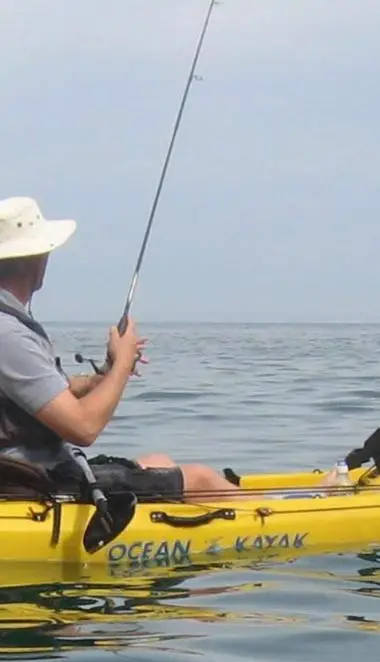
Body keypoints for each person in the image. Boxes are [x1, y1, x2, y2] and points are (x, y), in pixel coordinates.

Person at [0, 195, 260, 503]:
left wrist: (102, 379)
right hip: (33, 484)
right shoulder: (8, 333)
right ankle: (288, 520)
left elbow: (39, 394)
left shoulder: (11, 323)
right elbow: (83, 428)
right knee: (200, 478)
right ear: (36, 258)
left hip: (36, 474)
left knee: (160, 462)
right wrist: (122, 363)